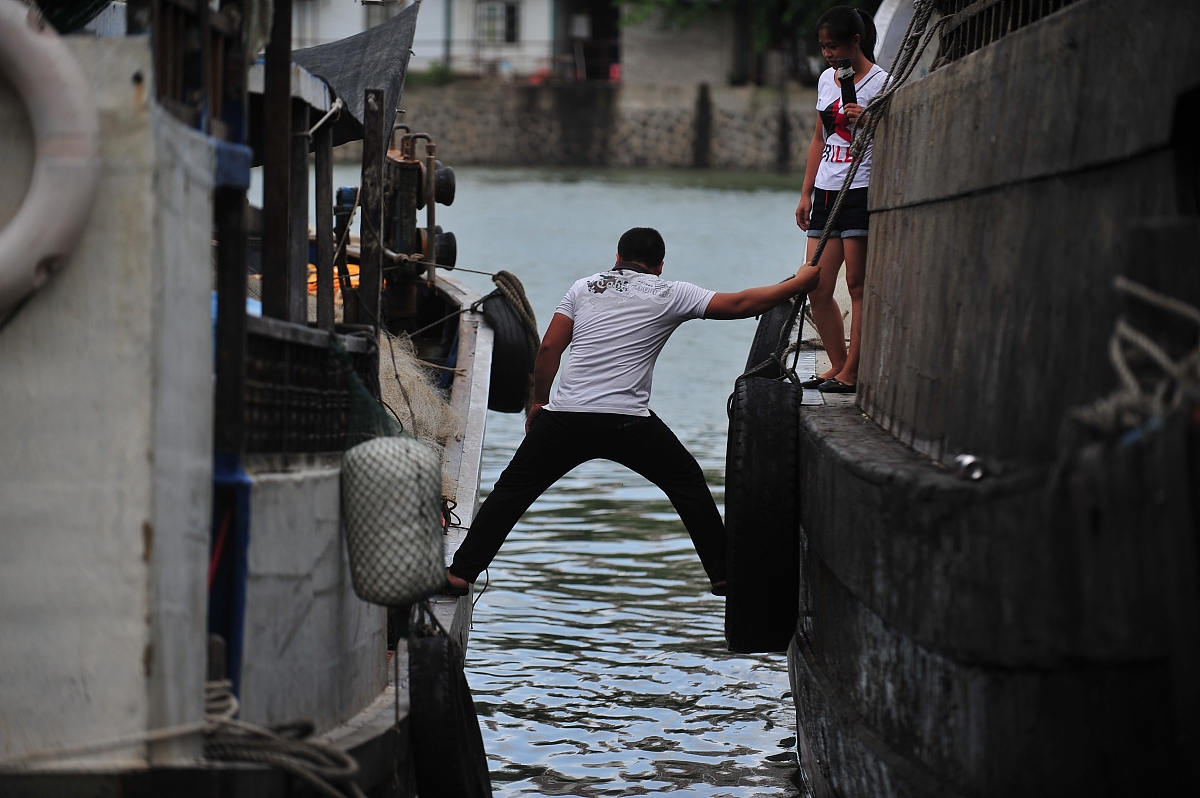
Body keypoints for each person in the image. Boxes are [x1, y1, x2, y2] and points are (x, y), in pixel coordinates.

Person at [444, 227, 821, 596]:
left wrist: (539, 401)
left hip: (566, 418)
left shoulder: (583, 287)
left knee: (511, 492)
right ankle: (722, 574)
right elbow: (742, 304)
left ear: (617, 258)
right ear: (660, 266)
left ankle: (461, 573)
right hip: (627, 422)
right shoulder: (670, 292)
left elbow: (548, 350)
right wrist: (798, 283)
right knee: (686, 480)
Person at [795, 6, 888, 394]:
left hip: (860, 187)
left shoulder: (884, 82)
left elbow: (895, 136)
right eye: (823, 47)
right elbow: (820, 137)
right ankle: (836, 365)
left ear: (856, 41)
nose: (829, 55)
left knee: (856, 284)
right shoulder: (826, 80)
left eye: (833, 46)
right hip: (827, 189)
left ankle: (853, 371)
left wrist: (868, 119)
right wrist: (806, 191)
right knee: (815, 283)